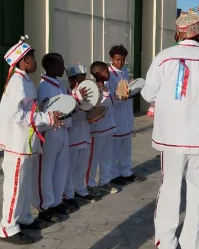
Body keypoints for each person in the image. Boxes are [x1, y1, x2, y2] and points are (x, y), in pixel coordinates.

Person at [141, 7, 199, 249]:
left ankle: (166, 244)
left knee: (169, 188)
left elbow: (148, 94)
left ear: (178, 32)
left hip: (171, 137)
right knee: (198, 192)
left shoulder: (164, 57)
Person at [0, 39, 63, 244]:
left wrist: (47, 119)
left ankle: (23, 218)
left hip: (27, 143)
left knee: (24, 185)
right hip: (17, 145)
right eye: (32, 58)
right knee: (15, 186)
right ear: (23, 61)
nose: (35, 61)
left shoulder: (25, 80)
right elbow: (17, 116)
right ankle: (8, 227)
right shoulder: (17, 82)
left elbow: (29, 113)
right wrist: (46, 118)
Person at [33, 53, 72, 223]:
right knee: (46, 170)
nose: (63, 68)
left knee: (60, 168)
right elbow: (49, 108)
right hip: (50, 131)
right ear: (50, 66)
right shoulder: (44, 86)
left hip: (62, 131)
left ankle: (56, 201)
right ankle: (45, 206)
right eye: (60, 64)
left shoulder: (58, 84)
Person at [107, 45, 146, 185]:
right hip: (115, 115)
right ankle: (113, 175)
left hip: (127, 114)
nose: (120, 63)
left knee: (126, 147)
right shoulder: (108, 74)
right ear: (111, 58)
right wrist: (118, 96)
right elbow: (108, 95)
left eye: (123, 60)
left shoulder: (125, 71)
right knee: (114, 148)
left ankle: (126, 172)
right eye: (117, 59)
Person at [62, 63, 98, 205]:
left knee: (82, 165)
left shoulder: (87, 94)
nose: (82, 83)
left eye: (84, 80)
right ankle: (68, 194)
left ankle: (80, 189)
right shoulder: (66, 94)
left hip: (85, 134)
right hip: (73, 136)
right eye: (79, 80)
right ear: (71, 81)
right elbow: (68, 114)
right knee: (70, 167)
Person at [86, 61, 119, 196]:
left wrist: (118, 96)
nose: (109, 73)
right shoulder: (93, 89)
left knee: (107, 157)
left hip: (109, 128)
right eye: (106, 71)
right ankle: (89, 183)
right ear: (98, 74)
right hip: (97, 130)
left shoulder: (106, 86)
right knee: (93, 158)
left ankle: (104, 181)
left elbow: (111, 103)